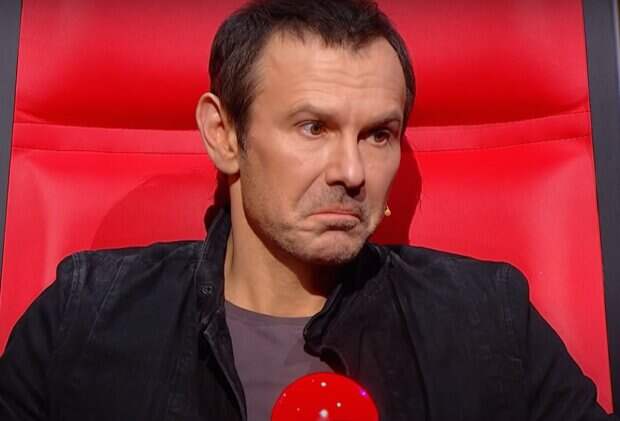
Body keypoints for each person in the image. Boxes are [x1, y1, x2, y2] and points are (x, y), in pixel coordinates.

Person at [0, 0, 616, 420]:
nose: (351, 172)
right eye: (313, 127)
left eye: (378, 135)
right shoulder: (83, 318)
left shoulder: (488, 321)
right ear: (224, 134)